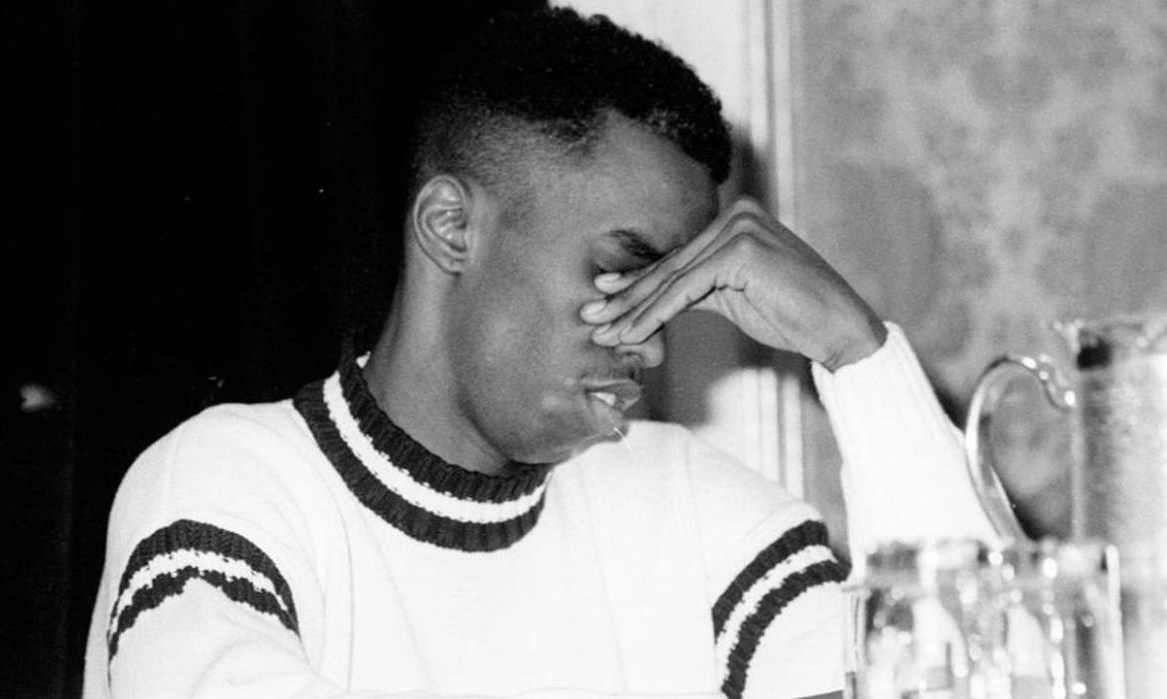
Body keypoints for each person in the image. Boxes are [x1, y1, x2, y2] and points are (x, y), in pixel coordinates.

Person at [83, 7, 993, 698]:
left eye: (677, 290)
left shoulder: (690, 502)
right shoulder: (226, 484)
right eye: (621, 271)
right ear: (451, 228)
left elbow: (982, 673)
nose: (651, 331)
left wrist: (857, 352)